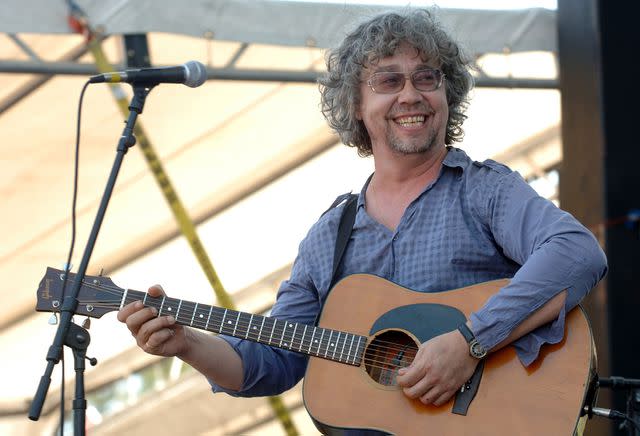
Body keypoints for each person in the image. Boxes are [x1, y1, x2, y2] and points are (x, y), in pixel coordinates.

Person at [118, 7, 607, 415]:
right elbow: (272, 362)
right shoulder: (330, 236)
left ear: (447, 94)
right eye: (388, 81)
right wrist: (187, 346)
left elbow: (576, 253)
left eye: (426, 78)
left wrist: (468, 343)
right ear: (355, 103)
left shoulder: (483, 191)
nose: (410, 95)